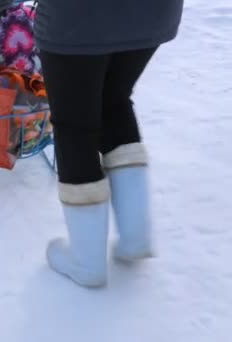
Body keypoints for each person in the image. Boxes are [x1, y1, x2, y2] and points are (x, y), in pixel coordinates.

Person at [31, 0, 183, 287]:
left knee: (74, 125)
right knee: (113, 101)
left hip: (77, 19)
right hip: (155, 12)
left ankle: (86, 261)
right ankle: (135, 236)